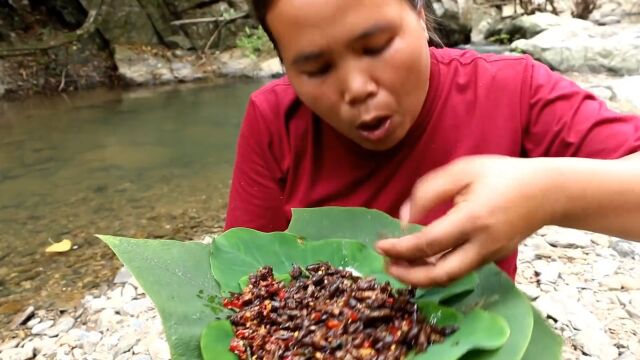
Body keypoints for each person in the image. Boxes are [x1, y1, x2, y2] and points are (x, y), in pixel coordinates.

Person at [224, 0, 640, 287]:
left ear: (420, 13)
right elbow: (239, 269)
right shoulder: (275, 120)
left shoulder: (512, 90)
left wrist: (551, 194)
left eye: (376, 46)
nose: (356, 88)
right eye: (315, 68)